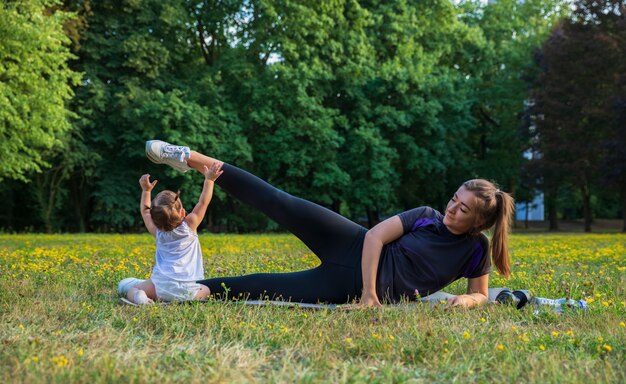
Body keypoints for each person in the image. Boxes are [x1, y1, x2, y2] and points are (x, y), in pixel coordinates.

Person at [144, 140, 515, 309]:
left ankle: (170, 290)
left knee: (255, 286)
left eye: (462, 209)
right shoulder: (426, 216)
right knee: (278, 201)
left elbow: (481, 293)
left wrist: (467, 299)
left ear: (479, 221)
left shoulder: (475, 250)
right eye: (454, 199)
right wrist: (370, 296)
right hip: (353, 246)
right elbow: (374, 237)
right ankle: (189, 156)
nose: (451, 209)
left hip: (342, 287)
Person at [118, 161, 224, 304]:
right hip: (189, 290)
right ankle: (183, 299)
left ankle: (140, 297)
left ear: (155, 219)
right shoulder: (190, 224)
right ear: (182, 212)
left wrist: (146, 191)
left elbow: (144, 211)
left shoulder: (157, 232)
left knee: (132, 289)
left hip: (161, 286)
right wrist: (209, 180)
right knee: (206, 290)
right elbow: (203, 202)